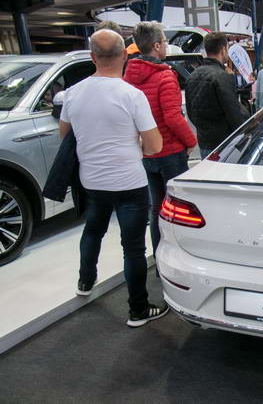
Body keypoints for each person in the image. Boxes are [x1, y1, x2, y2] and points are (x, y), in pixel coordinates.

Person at [59, 29, 167, 327]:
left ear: (92, 57)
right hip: (129, 182)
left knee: (93, 231)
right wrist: (136, 145)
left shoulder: (73, 93)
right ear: (124, 56)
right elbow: (155, 145)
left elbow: (65, 136)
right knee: (133, 247)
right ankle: (138, 310)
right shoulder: (132, 96)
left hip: (92, 181)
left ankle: (85, 282)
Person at [124, 21, 197, 258]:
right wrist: (190, 141)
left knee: (157, 208)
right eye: (164, 41)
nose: (166, 45)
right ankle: (181, 258)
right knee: (180, 209)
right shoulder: (165, 76)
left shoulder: (128, 77)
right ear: (156, 45)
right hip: (171, 152)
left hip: (146, 152)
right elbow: (173, 117)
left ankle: (160, 257)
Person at [186, 32, 246, 158]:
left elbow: (190, 112)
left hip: (204, 142)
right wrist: (243, 140)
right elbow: (234, 114)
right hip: (224, 144)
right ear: (223, 49)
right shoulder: (221, 76)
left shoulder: (192, 76)